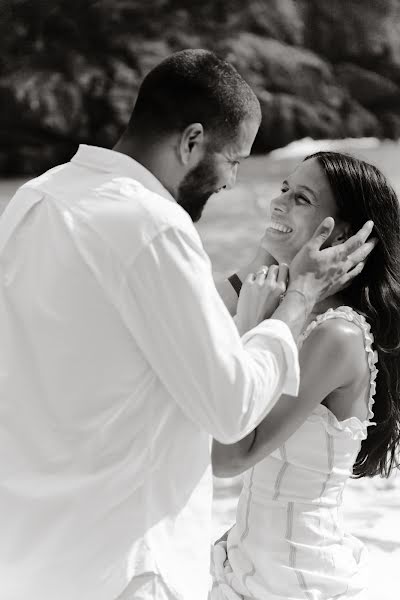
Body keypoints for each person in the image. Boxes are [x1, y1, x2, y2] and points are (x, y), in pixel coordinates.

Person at [0, 47, 374, 600]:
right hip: (124, 562)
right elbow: (231, 411)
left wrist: (261, 271)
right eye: (236, 160)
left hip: (31, 552)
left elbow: (158, 316)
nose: (232, 181)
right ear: (191, 141)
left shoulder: (37, 199)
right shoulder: (154, 227)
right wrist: (298, 297)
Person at [211, 151, 400, 600]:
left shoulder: (337, 335)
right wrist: (267, 251)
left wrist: (246, 327)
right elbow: (189, 326)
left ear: (344, 235)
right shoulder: (289, 313)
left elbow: (229, 457)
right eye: (282, 189)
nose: (278, 203)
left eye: (301, 198)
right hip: (247, 566)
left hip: (301, 580)